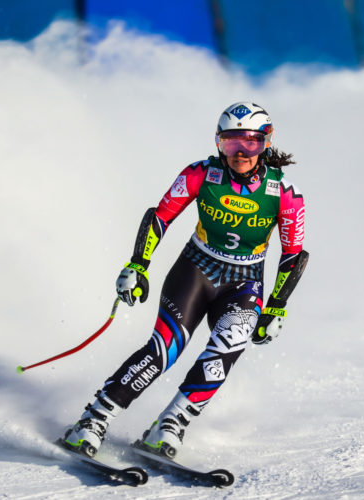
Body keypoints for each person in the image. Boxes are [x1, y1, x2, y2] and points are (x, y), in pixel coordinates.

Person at [62, 101, 309, 459]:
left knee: (226, 350)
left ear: (266, 143)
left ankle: (171, 424)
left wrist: (276, 308)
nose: (240, 152)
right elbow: (160, 216)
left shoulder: (285, 192)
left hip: (245, 282)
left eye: (251, 143)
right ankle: (93, 420)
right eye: (230, 142)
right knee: (164, 351)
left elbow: (293, 254)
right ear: (218, 143)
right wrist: (138, 265)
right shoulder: (200, 174)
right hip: (196, 270)